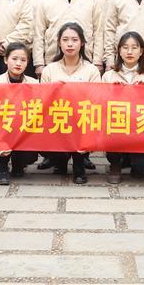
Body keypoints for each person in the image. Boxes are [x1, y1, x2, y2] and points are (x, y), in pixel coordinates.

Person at [40, 23, 101, 184]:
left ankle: (79, 164)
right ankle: (60, 158)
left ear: (82, 43)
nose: (70, 44)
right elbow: (41, 102)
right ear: (59, 43)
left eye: (74, 40)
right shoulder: (49, 70)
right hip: (56, 120)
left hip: (81, 120)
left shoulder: (92, 70)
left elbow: (96, 101)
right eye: (65, 40)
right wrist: (54, 91)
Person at [102, 32, 144, 184]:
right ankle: (115, 163)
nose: (129, 52)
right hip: (117, 124)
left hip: (140, 125)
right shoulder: (108, 76)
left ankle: (134, 161)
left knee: (143, 166)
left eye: (134, 48)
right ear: (119, 51)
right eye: (125, 47)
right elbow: (100, 104)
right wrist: (114, 93)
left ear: (141, 51)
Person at [33, 0, 103, 77]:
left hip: (85, 63)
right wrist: (39, 63)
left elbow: (98, 32)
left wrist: (97, 62)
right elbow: (38, 33)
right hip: (52, 63)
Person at [0, 42, 39, 185]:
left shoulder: (34, 84)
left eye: (23, 60)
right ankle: (2, 165)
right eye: (14, 59)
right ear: (6, 60)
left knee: (29, 156)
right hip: (1, 129)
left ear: (27, 62)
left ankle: (18, 162)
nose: (18, 63)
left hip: (24, 129)